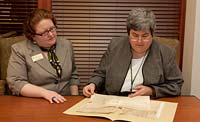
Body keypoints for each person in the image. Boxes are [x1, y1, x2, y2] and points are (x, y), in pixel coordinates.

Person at [83, 8, 183, 98]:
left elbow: (176, 85)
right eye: (135, 35)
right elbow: (100, 74)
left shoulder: (165, 53)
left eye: (145, 36)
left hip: (147, 102)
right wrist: (93, 84)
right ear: (128, 34)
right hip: (113, 100)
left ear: (152, 35)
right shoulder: (115, 46)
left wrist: (152, 90)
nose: (139, 41)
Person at [7, 8, 80, 103]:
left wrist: (75, 100)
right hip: (37, 103)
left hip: (65, 101)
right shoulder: (20, 50)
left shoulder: (66, 45)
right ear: (33, 36)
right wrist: (45, 93)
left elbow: (73, 75)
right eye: (45, 32)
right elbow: (16, 83)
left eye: (52, 29)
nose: (51, 34)